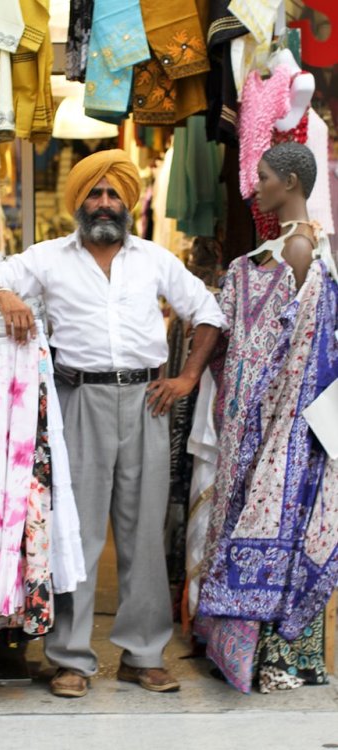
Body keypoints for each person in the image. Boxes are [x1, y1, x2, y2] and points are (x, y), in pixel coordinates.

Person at [0, 148, 225, 698]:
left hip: (147, 402)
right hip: (77, 400)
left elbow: (209, 312)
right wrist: (7, 293)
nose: (104, 202)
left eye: (112, 193)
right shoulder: (49, 258)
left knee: (144, 532)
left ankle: (143, 654)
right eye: (94, 193)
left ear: (126, 202)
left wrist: (188, 378)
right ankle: (72, 658)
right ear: (80, 200)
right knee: (76, 534)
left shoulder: (153, 258)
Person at [196, 141, 338, 694]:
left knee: (274, 518)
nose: (256, 186)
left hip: (276, 418)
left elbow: (285, 347)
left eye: (264, 177)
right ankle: (251, 649)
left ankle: (272, 655)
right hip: (254, 415)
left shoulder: (300, 248)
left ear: (293, 185)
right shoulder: (280, 247)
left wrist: (260, 415)